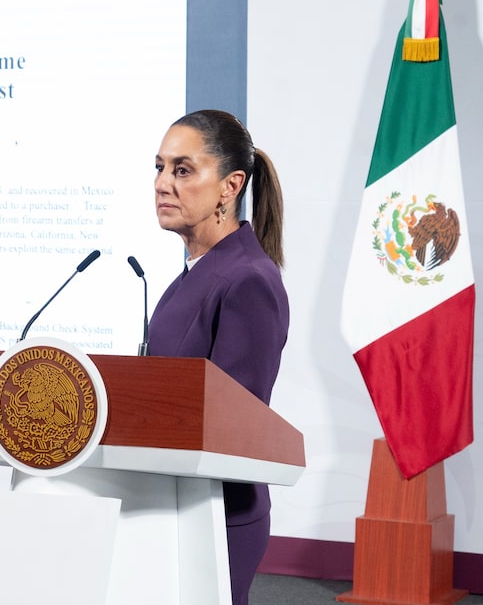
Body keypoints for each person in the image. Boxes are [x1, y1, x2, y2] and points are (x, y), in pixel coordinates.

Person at [147, 109, 289, 605]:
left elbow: (236, 420)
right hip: (168, 503)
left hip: (215, 514)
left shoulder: (247, 279)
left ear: (231, 186)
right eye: (160, 168)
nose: (164, 183)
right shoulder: (195, 273)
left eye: (183, 170)